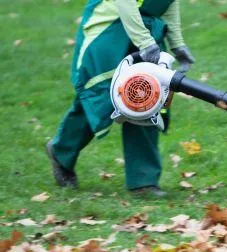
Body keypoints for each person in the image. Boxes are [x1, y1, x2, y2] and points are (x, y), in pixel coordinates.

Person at [46, 0, 194, 197]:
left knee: (148, 98)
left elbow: (167, 2)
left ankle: (144, 182)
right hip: (110, 27)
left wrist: (177, 44)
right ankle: (61, 150)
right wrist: (145, 42)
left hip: (145, 28)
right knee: (101, 99)